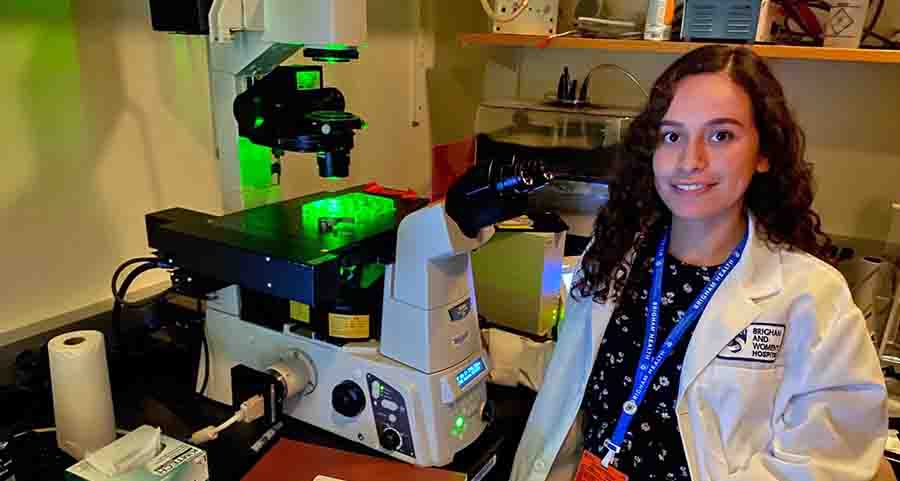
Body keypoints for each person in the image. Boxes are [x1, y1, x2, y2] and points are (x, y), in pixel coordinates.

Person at [487, 45, 888, 481]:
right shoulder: (612, 256)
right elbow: (576, 371)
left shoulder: (810, 295)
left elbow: (827, 460)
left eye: (721, 136)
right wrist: (488, 353)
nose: (690, 161)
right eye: (672, 135)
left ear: (763, 152)